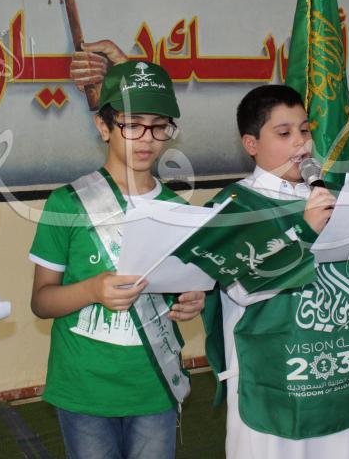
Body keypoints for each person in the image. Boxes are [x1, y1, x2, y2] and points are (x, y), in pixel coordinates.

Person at [201, 84, 349, 458]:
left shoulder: (331, 198)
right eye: (284, 133)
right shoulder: (233, 206)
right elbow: (243, 287)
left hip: (336, 370)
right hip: (274, 380)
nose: (301, 143)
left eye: (305, 130)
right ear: (251, 144)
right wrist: (305, 231)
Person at [29, 60, 205, 459]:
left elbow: (182, 290)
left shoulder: (179, 211)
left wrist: (192, 301)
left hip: (153, 385)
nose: (147, 139)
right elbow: (41, 301)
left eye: (159, 126)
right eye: (132, 125)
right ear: (103, 126)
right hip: (83, 385)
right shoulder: (67, 203)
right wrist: (92, 290)